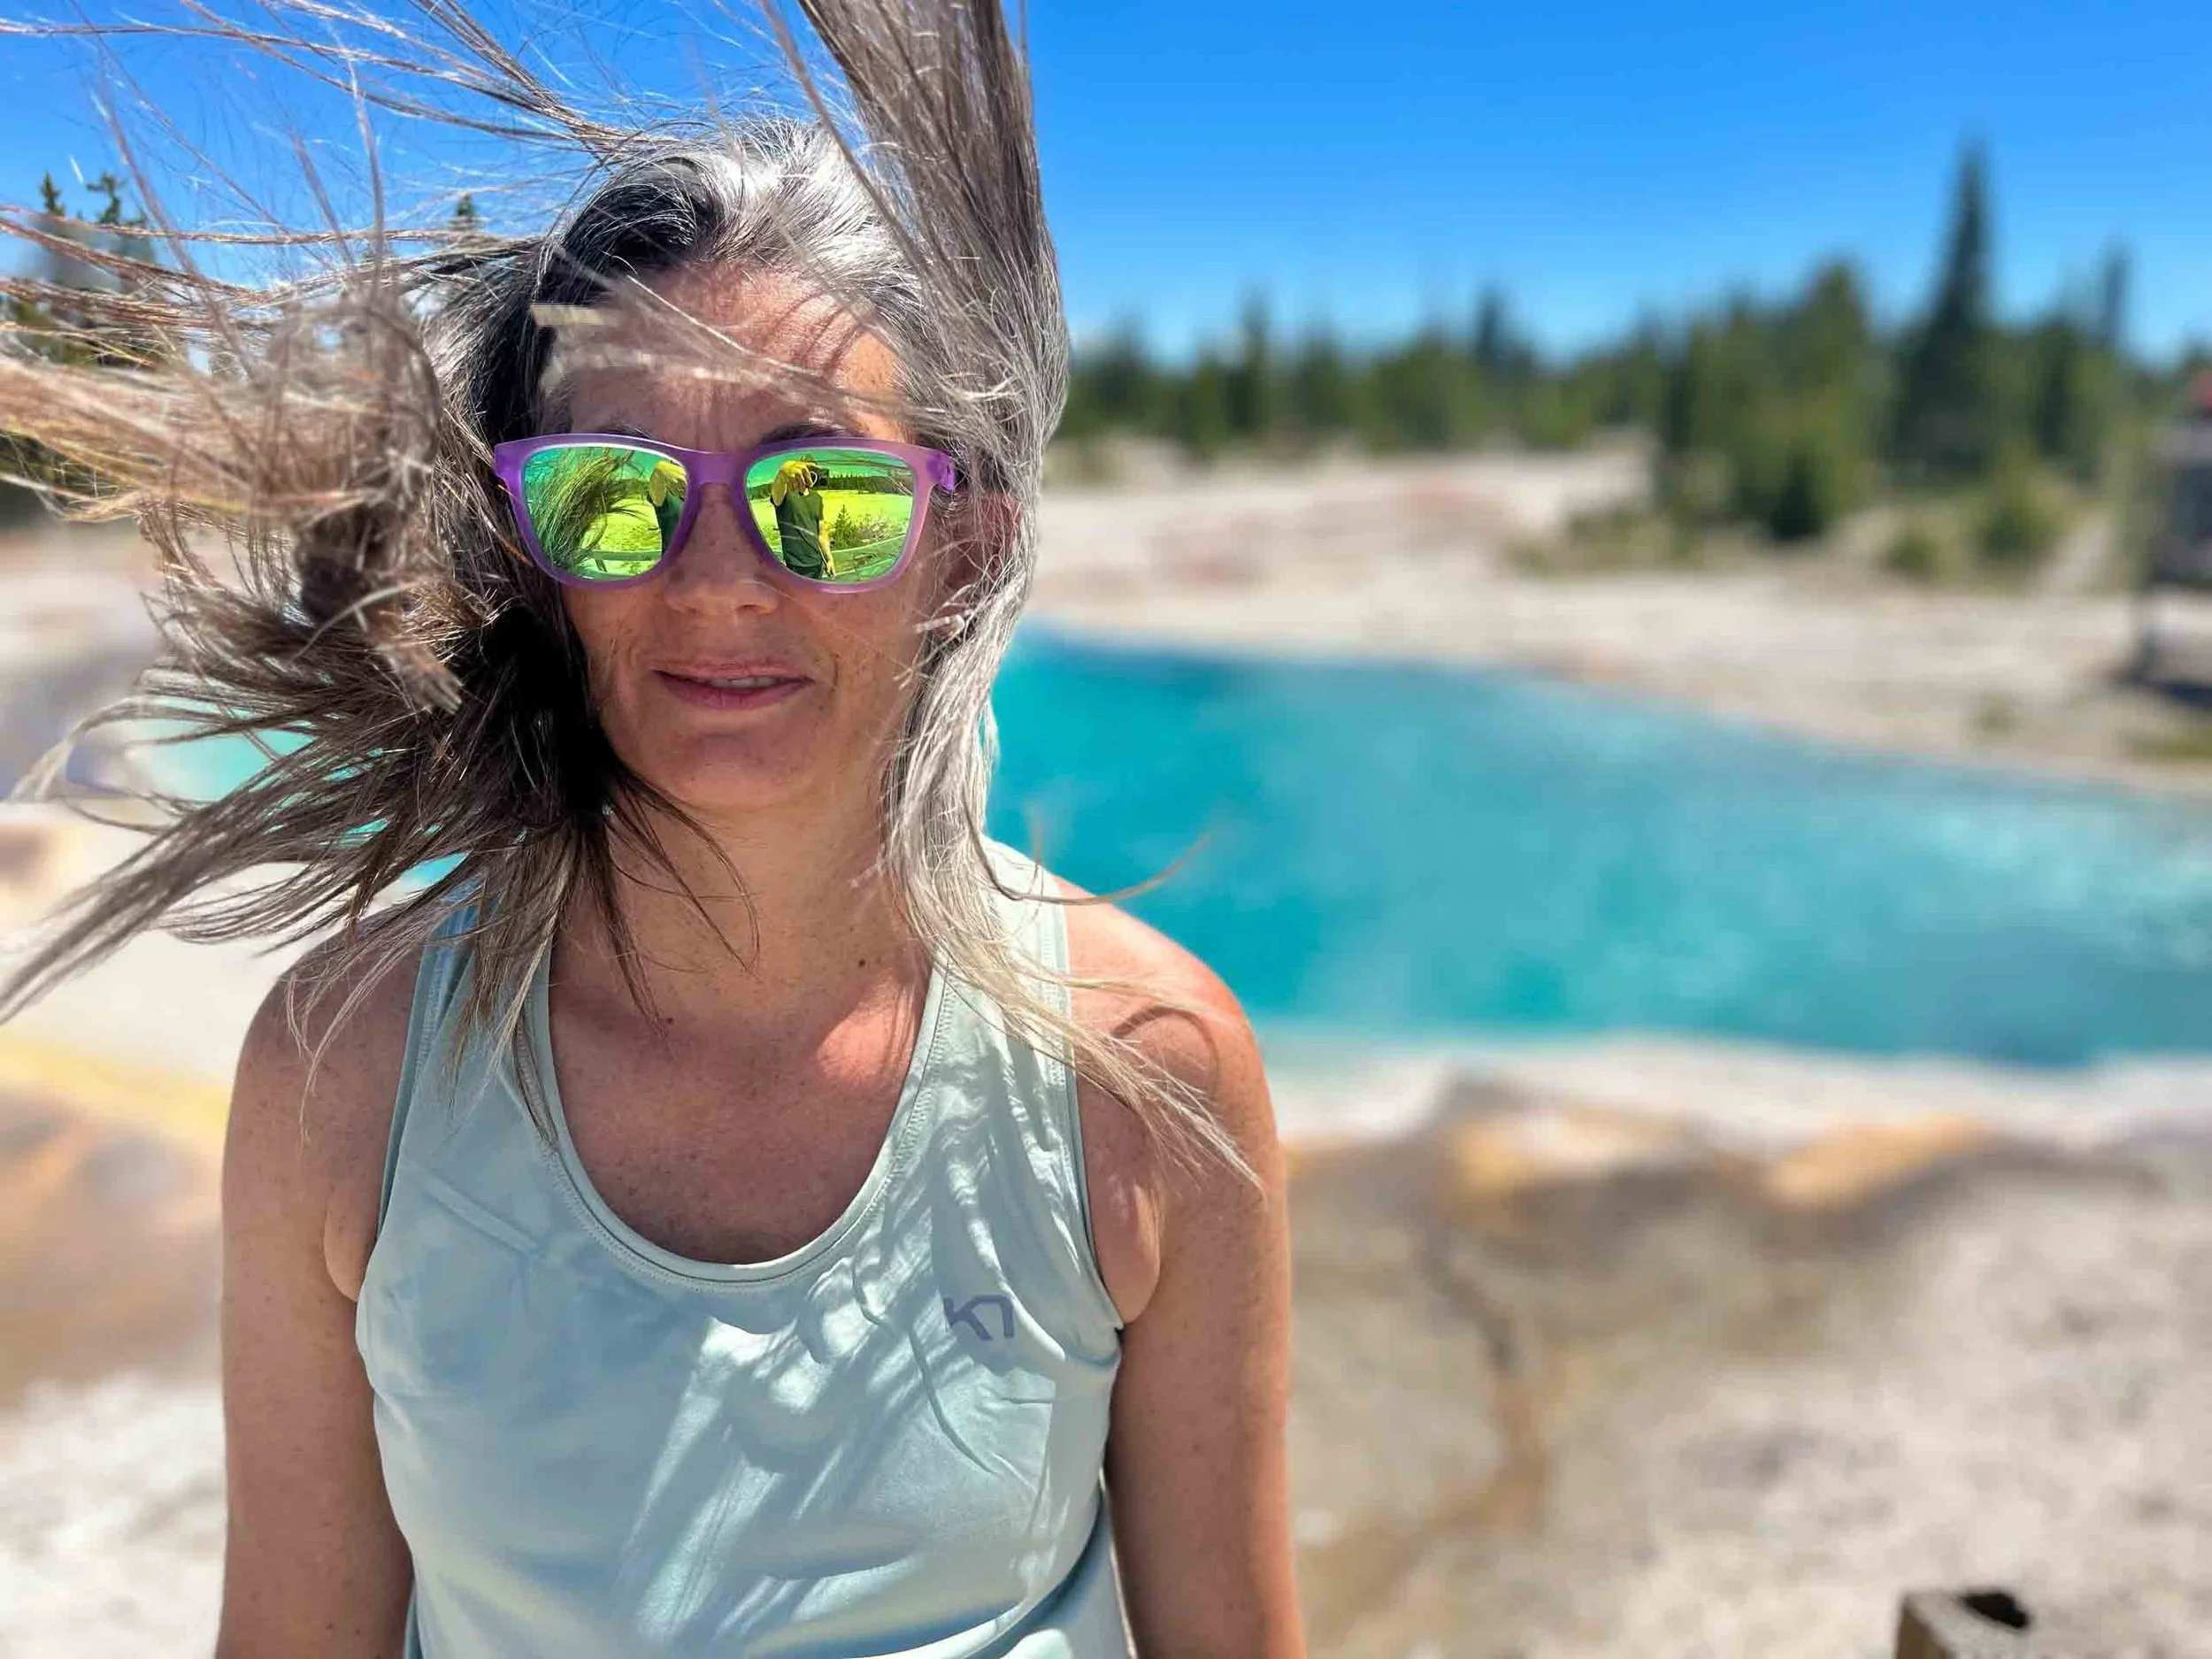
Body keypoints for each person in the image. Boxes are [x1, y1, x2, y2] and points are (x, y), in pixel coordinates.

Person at [0, 3, 1300, 1655]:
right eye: (614, 497)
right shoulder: (351, 1067)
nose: (717, 578)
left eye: (823, 496)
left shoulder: (1146, 1068)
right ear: (528, 549)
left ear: (963, 549)